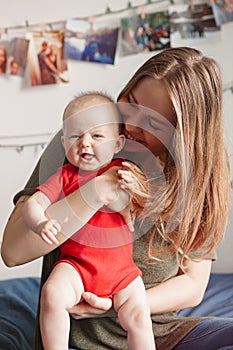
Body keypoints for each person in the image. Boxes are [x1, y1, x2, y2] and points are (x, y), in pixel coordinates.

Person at [1, 47, 232, 350]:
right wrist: (98, 190)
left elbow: (193, 285)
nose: (133, 127)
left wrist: (120, 304)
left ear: (182, 134)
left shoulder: (202, 177)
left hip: (156, 331)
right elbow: (13, 251)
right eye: (132, 105)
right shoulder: (86, 137)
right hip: (82, 339)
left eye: (155, 125)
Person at [21, 91, 155, 350]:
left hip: (121, 273)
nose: (85, 143)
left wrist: (129, 191)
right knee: (52, 294)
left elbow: (132, 208)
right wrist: (40, 223)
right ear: (63, 143)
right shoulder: (64, 177)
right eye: (75, 136)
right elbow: (33, 204)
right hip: (77, 266)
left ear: (117, 144)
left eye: (96, 136)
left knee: (139, 315)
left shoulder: (123, 172)